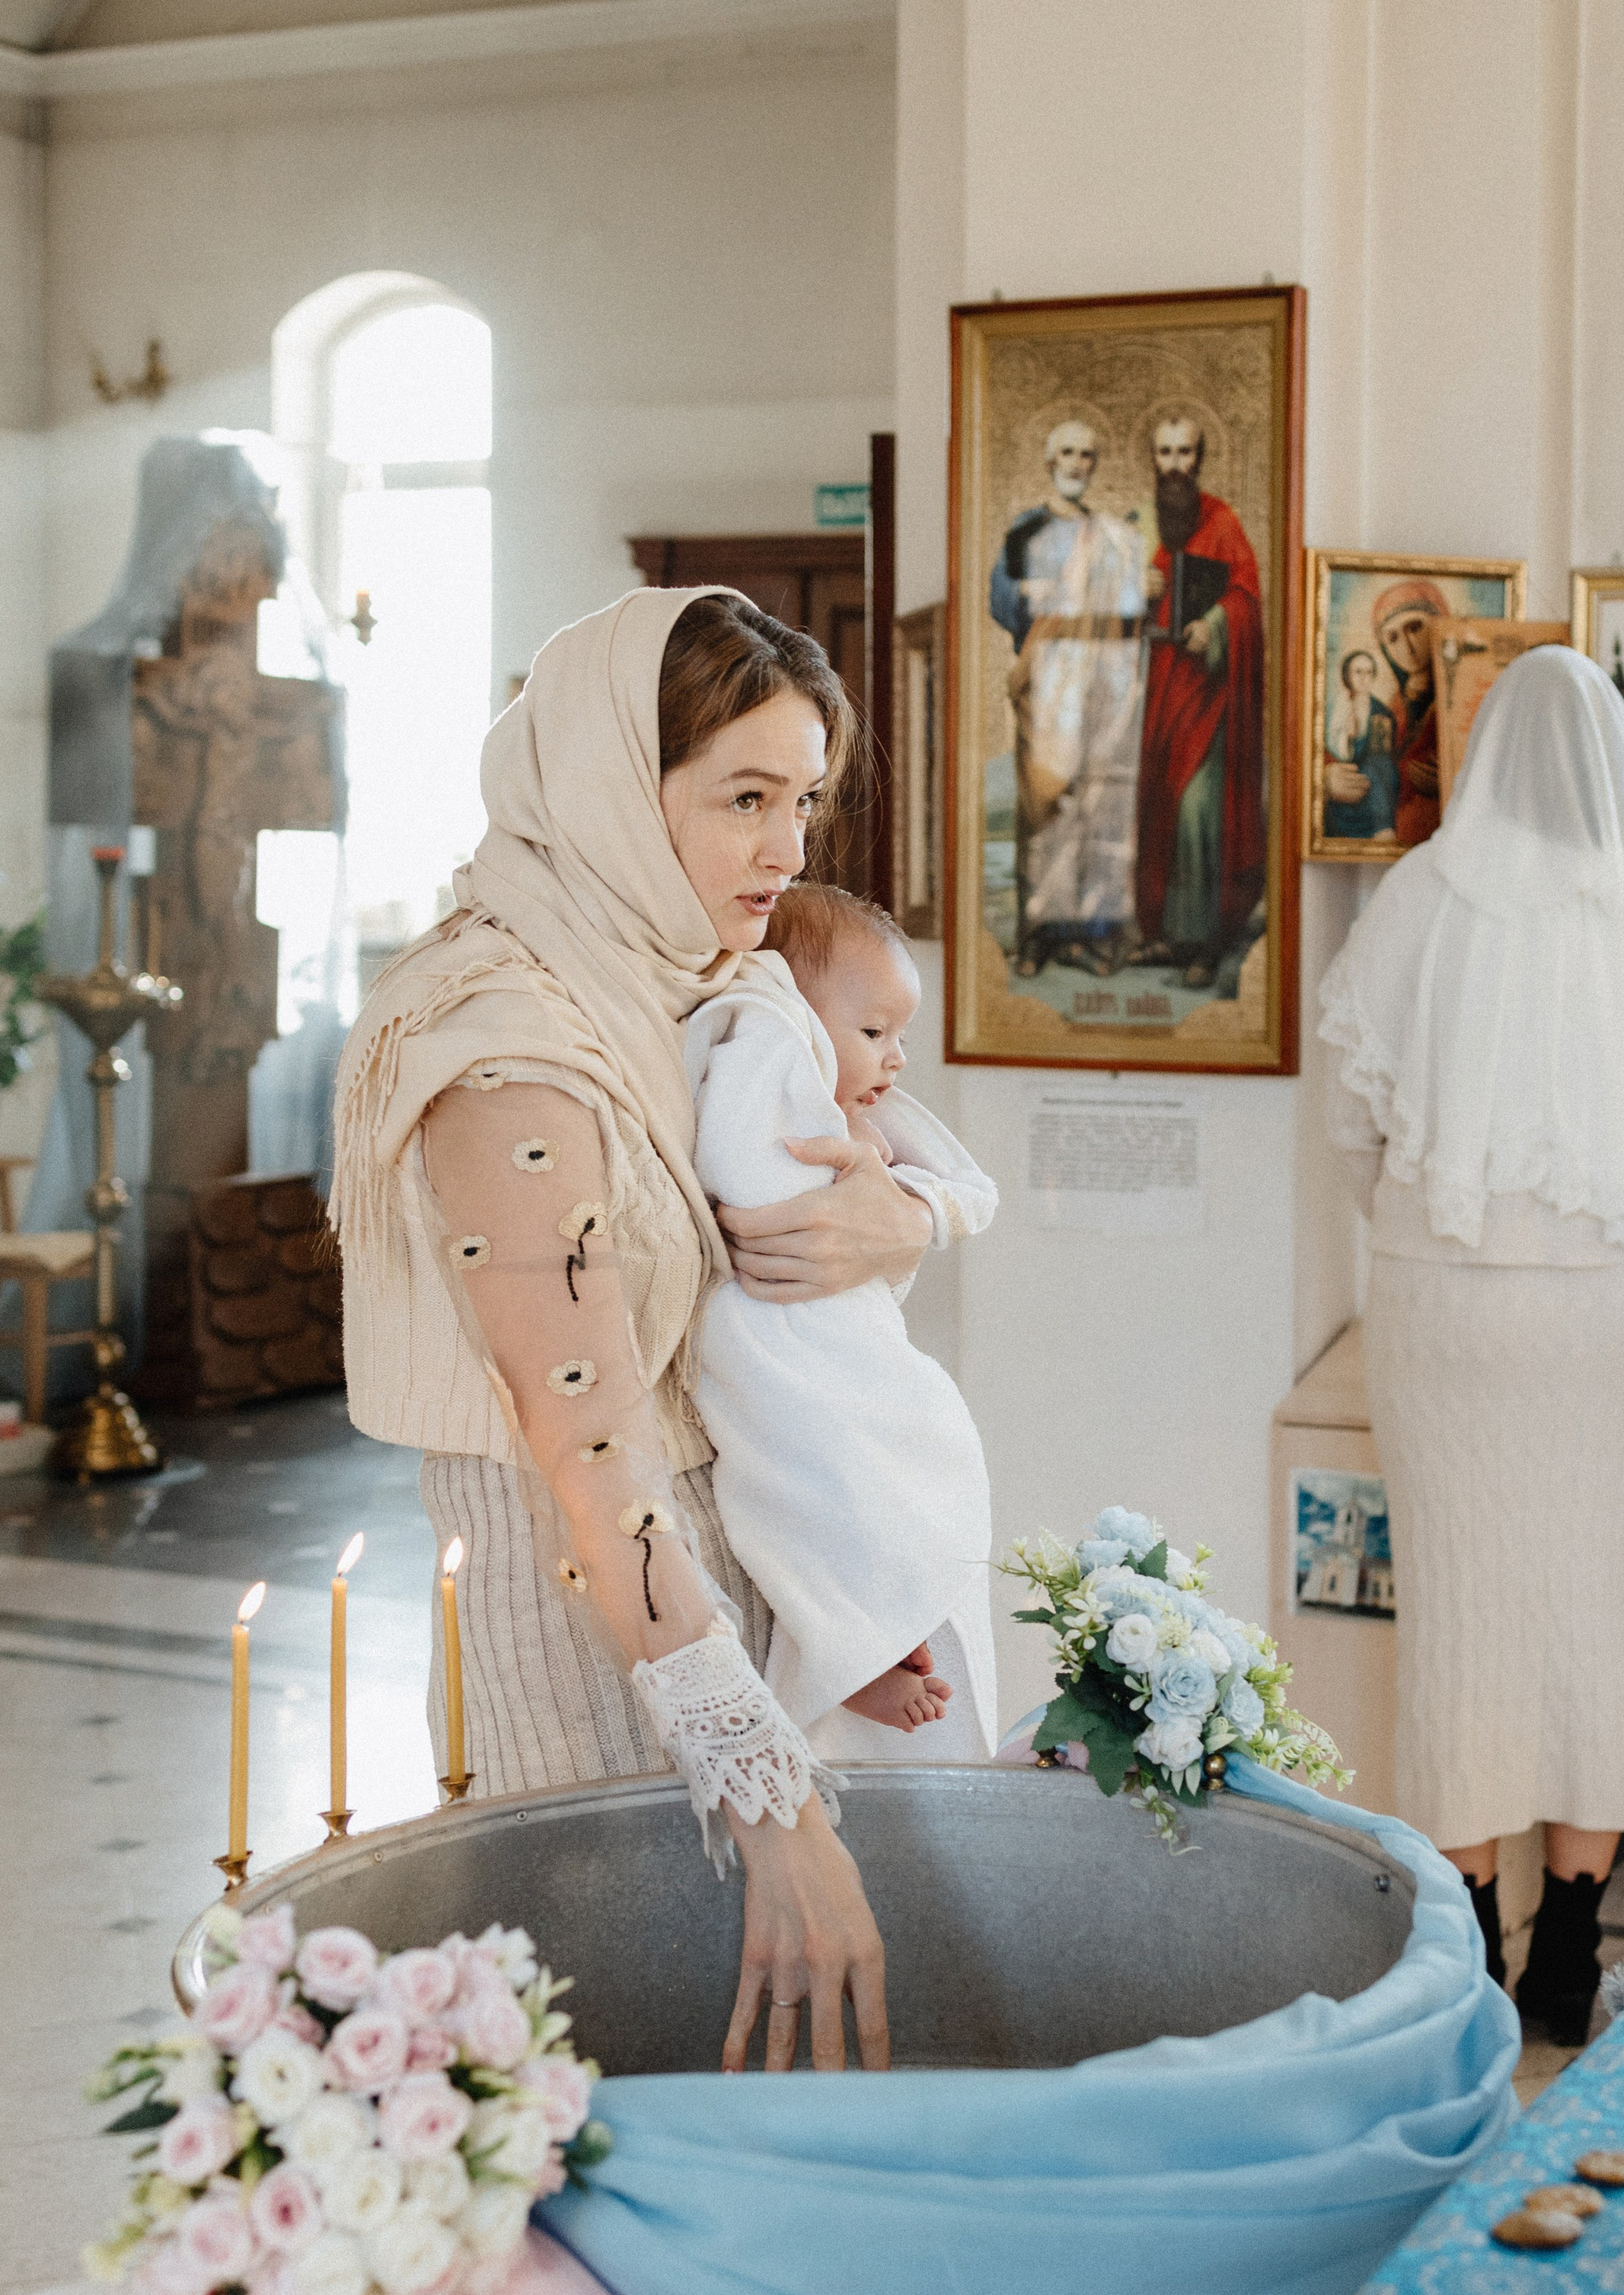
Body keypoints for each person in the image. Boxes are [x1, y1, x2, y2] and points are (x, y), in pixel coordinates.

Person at [333, 587, 965, 2080]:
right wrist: (775, 1803)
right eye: (743, 798)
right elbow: (590, 1463)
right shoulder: (497, 1041)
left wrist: (909, 1221)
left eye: (802, 800)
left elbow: (855, 1199)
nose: (787, 850)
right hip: (590, 1647)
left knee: (750, 2076)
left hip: (724, 1604)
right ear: (620, 785)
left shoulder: (690, 973)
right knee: (626, 2072)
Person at [1319, 645, 1624, 2044]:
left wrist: (1424, 1221)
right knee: (1589, 1612)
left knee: (1460, 1616)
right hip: (1618, 1307)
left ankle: (1477, 1944)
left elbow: (1350, 1098)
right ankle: (1572, 1962)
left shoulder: (1426, 895)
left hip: (1452, 1298)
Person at [685, 880, 997, 1763]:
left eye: (898, 1036)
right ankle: (845, 1655)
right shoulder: (759, 1049)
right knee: (827, 1479)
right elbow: (744, 1177)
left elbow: (964, 1188)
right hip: (776, 1339)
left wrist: (901, 1185)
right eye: (873, 1034)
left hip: (834, 1339)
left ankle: (892, 1629)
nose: (894, 1061)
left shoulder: (841, 1104)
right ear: (792, 1005)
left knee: (907, 1471)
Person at [987, 418, 1146, 975]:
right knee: (1045, 806)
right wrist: (1033, 592)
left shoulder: (1111, 534)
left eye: (1087, 455)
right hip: (1049, 677)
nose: (1078, 463)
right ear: (1052, 462)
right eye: (1068, 454)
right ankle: (1037, 935)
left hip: (1102, 679)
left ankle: (1084, 933)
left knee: (1096, 803)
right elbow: (1001, 595)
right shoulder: (1028, 529)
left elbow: (1127, 609)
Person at [1131, 416, 1265, 982]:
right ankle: (1166, 937)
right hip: (1160, 688)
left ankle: (1206, 941)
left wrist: (1216, 622)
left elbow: (1248, 599)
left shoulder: (1222, 522)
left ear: (1200, 458)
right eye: (1166, 451)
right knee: (1162, 804)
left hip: (1209, 697)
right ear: (1153, 459)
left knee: (1198, 809)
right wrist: (1131, 590)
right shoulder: (1139, 527)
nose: (1176, 463)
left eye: (1186, 451)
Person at [1367, 576, 1451, 848]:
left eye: (1414, 628)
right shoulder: (1390, 709)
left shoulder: (1461, 696)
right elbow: (1374, 765)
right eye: (1393, 638)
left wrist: (1450, 777)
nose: (1406, 645)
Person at [1321, 645, 1399, 841]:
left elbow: (1384, 751)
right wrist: (1348, 737)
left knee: (1379, 769)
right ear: (1347, 675)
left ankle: (1383, 828)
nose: (1364, 677)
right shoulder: (1338, 707)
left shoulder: (1381, 711)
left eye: (1369, 672)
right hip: (1346, 768)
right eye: (1358, 672)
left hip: (1376, 769)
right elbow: (1331, 744)